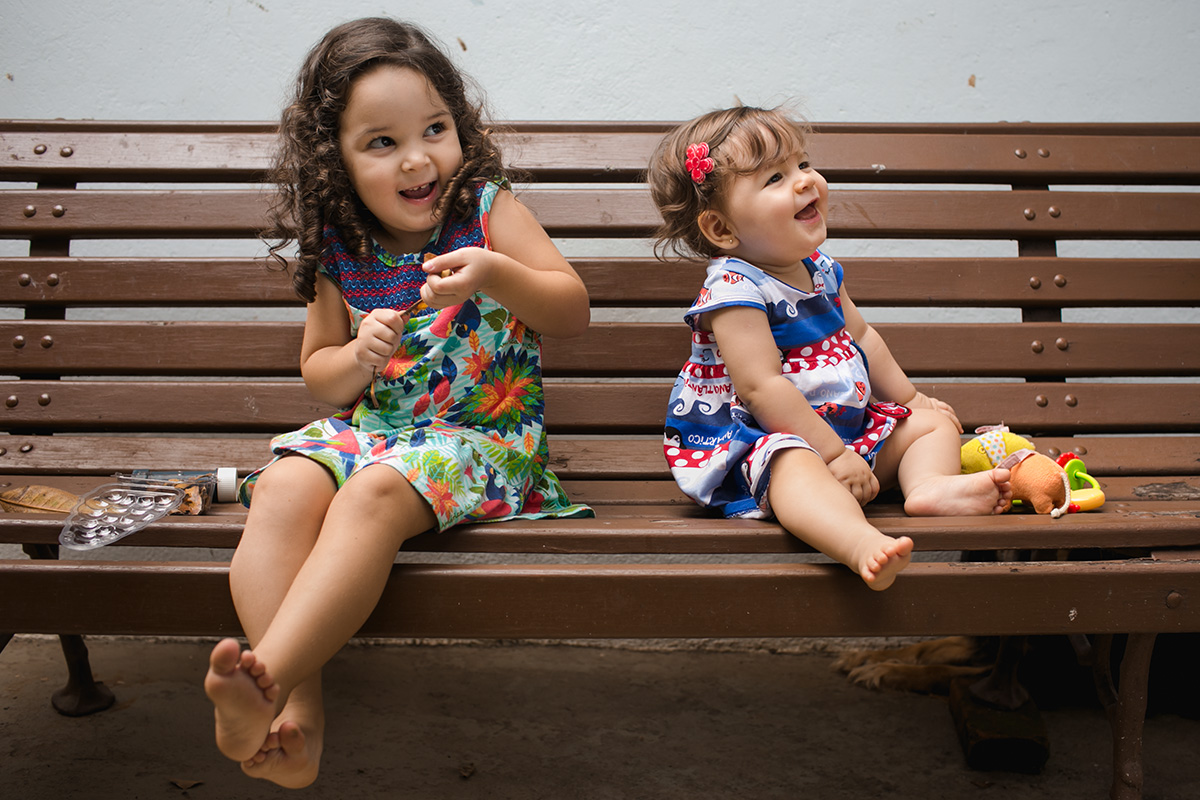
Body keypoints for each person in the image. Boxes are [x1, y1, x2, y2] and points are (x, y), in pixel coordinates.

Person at [203, 17, 592, 788]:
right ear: (337, 163)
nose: (418, 158)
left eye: (435, 130)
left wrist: (493, 271)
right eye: (381, 143)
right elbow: (318, 371)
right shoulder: (338, 245)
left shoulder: (487, 212)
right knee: (281, 486)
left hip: (482, 442)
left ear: (460, 130)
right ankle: (295, 723)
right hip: (375, 431)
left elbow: (572, 309)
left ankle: (266, 677)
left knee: (373, 493)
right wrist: (356, 356)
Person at [646, 106, 1011, 592]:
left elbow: (863, 338)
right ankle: (858, 543)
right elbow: (761, 389)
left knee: (932, 424)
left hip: (846, 438)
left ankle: (928, 489)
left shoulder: (818, 267)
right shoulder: (736, 290)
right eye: (776, 177)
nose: (804, 181)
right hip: (766, 442)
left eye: (802, 163)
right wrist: (832, 454)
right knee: (793, 466)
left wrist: (910, 400)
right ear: (722, 230)